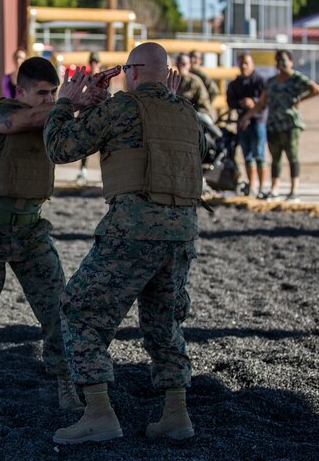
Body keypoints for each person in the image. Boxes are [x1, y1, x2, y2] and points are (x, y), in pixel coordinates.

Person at [44, 42, 204, 444]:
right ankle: (176, 415)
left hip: (133, 230)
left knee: (79, 311)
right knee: (165, 322)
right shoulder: (188, 112)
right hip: (182, 233)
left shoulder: (121, 108)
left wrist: (67, 102)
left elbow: (60, 147)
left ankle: (98, 412)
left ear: (131, 72)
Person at [0, 57, 106, 412]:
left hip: (31, 231)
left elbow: (77, 136)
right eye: (41, 93)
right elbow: (20, 122)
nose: (48, 99)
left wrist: (93, 101)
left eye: (53, 92)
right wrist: (69, 103)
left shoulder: (54, 118)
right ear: (20, 91)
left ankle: (64, 381)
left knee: (59, 310)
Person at [246, 50, 319, 201]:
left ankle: (294, 189)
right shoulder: (272, 81)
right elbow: (261, 102)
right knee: (275, 158)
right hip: (273, 123)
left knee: (292, 156)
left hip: (290, 123)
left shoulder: (296, 78)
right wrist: (246, 118)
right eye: (279, 61)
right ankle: (274, 188)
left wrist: (300, 99)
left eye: (284, 60)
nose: (282, 64)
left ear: (291, 62)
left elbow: (316, 90)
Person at [229, 52, 266, 196]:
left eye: (246, 63)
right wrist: (240, 103)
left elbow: (265, 101)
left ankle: (262, 187)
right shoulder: (235, 84)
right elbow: (230, 102)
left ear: (253, 64)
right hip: (242, 123)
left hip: (258, 121)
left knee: (260, 155)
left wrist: (254, 102)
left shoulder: (260, 81)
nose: (243, 66)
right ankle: (252, 186)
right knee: (247, 156)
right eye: (241, 63)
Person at [77, 52, 102, 186]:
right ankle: (83, 172)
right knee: (84, 145)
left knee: (103, 145)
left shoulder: (103, 78)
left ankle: (102, 173)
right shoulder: (86, 78)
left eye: (95, 62)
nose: (93, 64)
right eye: (92, 62)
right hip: (87, 114)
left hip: (99, 114)